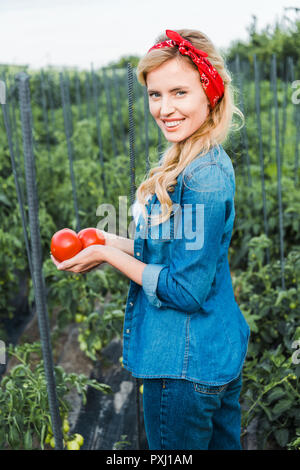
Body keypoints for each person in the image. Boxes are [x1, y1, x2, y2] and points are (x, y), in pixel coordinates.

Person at [51, 28, 250, 450]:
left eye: (179, 92)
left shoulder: (204, 177)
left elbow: (184, 289)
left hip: (183, 369)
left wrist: (105, 251)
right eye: (154, 94)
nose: (164, 108)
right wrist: (106, 240)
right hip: (209, 355)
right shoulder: (194, 158)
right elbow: (172, 253)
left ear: (209, 93)